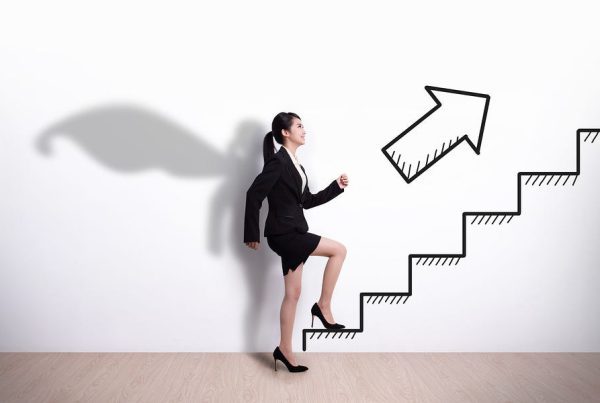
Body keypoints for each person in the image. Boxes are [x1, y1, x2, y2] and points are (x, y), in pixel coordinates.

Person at [243, 112, 349, 373]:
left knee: (292, 294)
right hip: (286, 234)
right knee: (339, 250)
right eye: (299, 126)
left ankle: (284, 350)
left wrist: (335, 186)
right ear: (285, 133)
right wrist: (252, 234)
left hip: (291, 231)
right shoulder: (278, 162)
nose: (305, 130)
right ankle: (323, 306)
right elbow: (253, 194)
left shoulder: (296, 165)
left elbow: (307, 201)